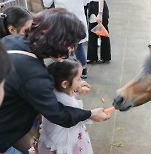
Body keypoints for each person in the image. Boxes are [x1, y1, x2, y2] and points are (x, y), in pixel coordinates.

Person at [0, 8, 110, 153]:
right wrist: (90, 114)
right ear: (57, 42)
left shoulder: (12, 40)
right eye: (71, 44)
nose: (72, 50)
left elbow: (26, 80)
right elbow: (59, 114)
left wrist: (73, 84)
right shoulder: (34, 74)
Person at [39, 60, 93, 154]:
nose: (81, 81)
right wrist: (93, 114)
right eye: (78, 79)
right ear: (65, 84)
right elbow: (77, 117)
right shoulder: (67, 103)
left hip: (52, 135)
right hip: (64, 140)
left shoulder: (53, 92)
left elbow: (65, 94)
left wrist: (75, 89)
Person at [42, 0, 104, 79]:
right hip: (78, 19)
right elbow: (86, 2)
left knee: (63, 47)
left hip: (63, 21)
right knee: (78, 46)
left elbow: (47, 4)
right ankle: (83, 69)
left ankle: (66, 70)